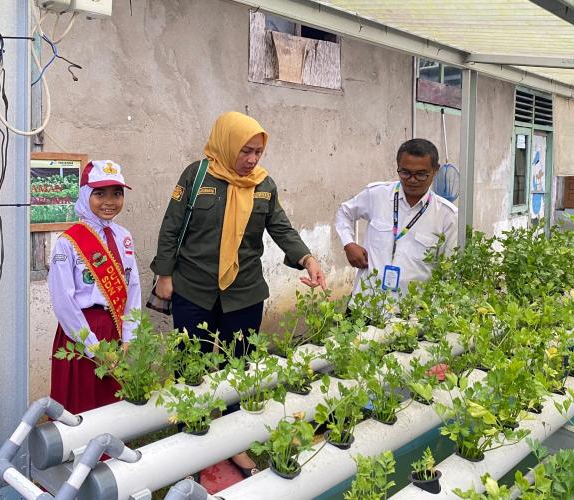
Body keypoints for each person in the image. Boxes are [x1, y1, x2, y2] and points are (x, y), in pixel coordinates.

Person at [151, 111, 326, 476]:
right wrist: (164, 274)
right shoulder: (197, 176)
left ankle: (235, 442)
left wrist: (306, 257)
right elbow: (171, 226)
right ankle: (192, 434)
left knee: (240, 368)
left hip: (243, 292)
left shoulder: (264, 184)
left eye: (258, 152)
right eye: (245, 151)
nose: (251, 160)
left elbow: (281, 227)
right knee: (191, 364)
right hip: (193, 288)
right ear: (227, 143)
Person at [48, 160, 142, 414]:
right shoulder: (68, 242)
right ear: (85, 194)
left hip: (113, 325)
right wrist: (91, 344)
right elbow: (63, 300)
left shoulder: (123, 236)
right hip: (81, 329)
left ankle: (112, 448)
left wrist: (130, 332)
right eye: (99, 193)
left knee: (111, 396)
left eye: (117, 193)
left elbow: (132, 286)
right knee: (83, 398)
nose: (109, 201)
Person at [335, 138, 458, 301]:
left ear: (435, 170)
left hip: (410, 313)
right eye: (405, 172)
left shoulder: (447, 216)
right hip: (365, 304)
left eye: (421, 174)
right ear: (398, 167)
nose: (412, 180)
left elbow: (450, 270)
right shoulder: (377, 194)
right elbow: (344, 213)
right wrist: (349, 244)